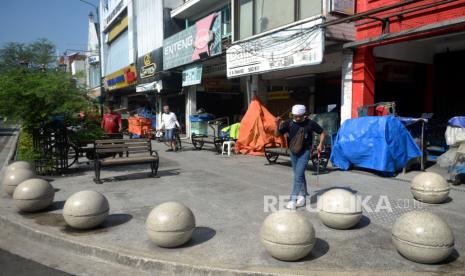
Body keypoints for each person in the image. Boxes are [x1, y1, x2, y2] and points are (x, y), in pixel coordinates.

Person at [275, 104, 325, 210]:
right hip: (293, 152)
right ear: (292, 115)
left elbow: (322, 132)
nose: (297, 118)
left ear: (304, 114)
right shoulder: (288, 123)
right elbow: (276, 135)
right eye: (295, 116)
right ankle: (303, 195)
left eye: (300, 116)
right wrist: (277, 124)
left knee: (297, 176)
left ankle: (293, 200)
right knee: (299, 174)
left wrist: (320, 144)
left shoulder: (310, 123)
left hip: (305, 152)